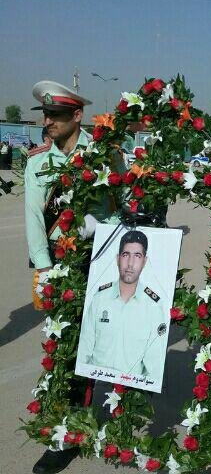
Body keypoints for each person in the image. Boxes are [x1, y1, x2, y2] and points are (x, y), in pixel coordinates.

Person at [25, 80, 122, 474]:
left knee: (104, 340)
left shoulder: (105, 155)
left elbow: (127, 205)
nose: (48, 122)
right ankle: (67, 431)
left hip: (99, 262)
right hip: (60, 269)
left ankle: (118, 417)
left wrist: (100, 226)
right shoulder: (36, 163)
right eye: (46, 115)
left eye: (56, 116)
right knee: (64, 348)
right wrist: (43, 269)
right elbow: (34, 219)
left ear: (77, 116)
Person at [76, 230, 167, 377]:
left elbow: (154, 365)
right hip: (96, 381)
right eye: (126, 255)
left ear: (144, 261)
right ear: (118, 259)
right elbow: (84, 348)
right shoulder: (100, 298)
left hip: (132, 387)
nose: (130, 264)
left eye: (137, 256)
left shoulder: (154, 306)